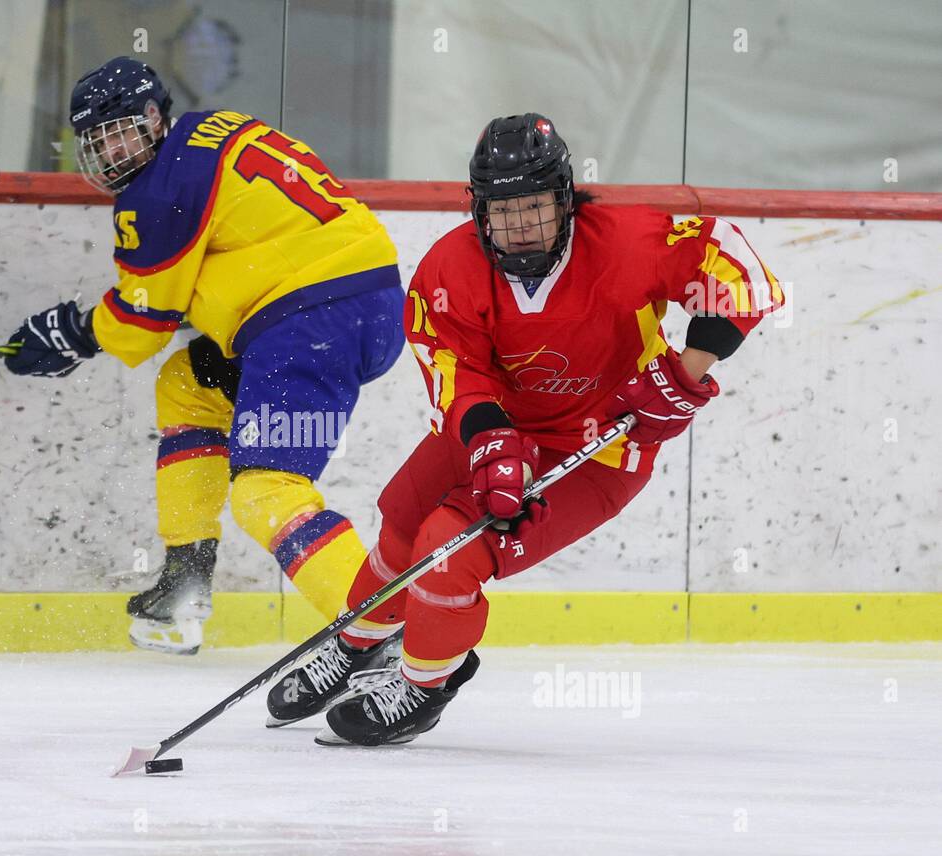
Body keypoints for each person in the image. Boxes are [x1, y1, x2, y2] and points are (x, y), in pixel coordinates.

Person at [268, 112, 784, 744]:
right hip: (500, 428)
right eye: (501, 209)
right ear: (479, 209)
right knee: (402, 514)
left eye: (535, 206)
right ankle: (359, 642)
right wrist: (488, 438)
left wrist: (683, 373)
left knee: (446, 547)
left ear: (565, 197)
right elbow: (451, 368)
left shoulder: (625, 241)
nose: (518, 225)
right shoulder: (451, 267)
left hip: (600, 449)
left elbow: (739, 272)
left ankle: (426, 686)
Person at [3, 57, 405, 658]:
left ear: (151, 119)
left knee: (266, 489)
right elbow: (243, 249)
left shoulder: (156, 193)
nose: (111, 154)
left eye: (119, 133)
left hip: (309, 323)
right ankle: (185, 581)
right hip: (363, 303)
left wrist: (75, 332)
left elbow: (142, 325)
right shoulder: (216, 128)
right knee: (188, 382)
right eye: (96, 142)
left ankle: (387, 630)